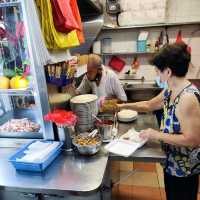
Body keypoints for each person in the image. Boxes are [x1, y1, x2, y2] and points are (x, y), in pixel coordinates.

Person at [118, 42, 200, 200]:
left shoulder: (187, 98)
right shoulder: (171, 89)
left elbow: (193, 140)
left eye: (158, 71)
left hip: (184, 171)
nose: (157, 75)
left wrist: (156, 134)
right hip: (171, 163)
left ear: (168, 71)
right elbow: (149, 105)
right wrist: (120, 106)